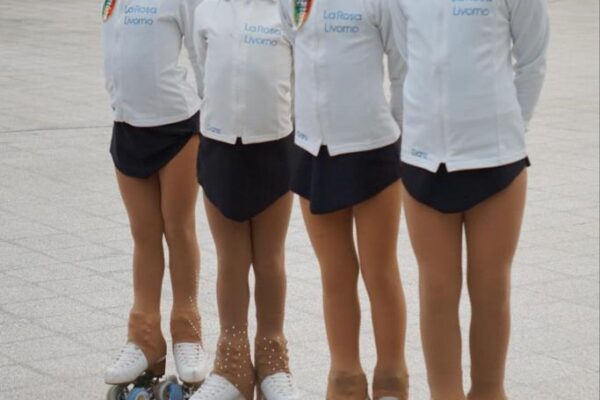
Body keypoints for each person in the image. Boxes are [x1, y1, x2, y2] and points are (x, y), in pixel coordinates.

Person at [389, 1, 550, 399]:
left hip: (496, 162)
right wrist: (412, 132)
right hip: (425, 160)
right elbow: (405, 60)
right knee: (437, 293)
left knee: (490, 291)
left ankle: (489, 391)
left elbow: (532, 59)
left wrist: (508, 130)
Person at [280, 1, 409, 399]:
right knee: (335, 275)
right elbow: (289, 60)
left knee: (379, 272)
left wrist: (399, 136)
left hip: (374, 149)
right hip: (312, 149)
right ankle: (345, 380)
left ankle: (391, 379)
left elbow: (403, 69)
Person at [190, 0, 298, 399]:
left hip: (274, 147)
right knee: (231, 262)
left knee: (270, 261)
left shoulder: (286, 11)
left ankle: (272, 360)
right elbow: (203, 72)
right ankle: (232, 365)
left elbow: (300, 76)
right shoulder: (208, 10)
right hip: (220, 148)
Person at [101, 0, 209, 391]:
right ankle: (144, 336)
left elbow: (199, 51)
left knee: (178, 229)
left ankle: (187, 332)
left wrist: (211, 116)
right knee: (144, 235)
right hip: (127, 126)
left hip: (178, 129)